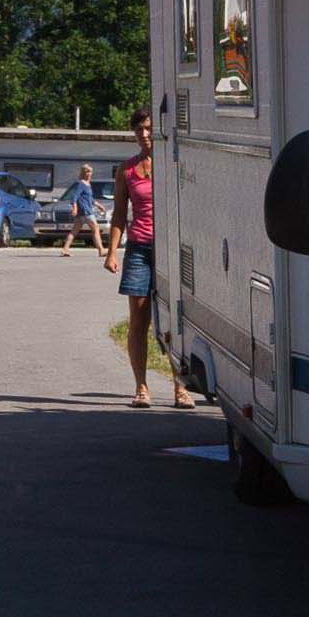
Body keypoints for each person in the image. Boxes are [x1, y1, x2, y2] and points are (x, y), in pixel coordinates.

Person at [105, 110, 196, 409]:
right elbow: (120, 214)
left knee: (174, 321)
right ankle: (141, 387)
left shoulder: (173, 164)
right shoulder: (127, 169)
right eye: (138, 130)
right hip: (139, 249)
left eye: (147, 129)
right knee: (138, 319)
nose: (143, 135)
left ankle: (180, 388)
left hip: (170, 250)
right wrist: (112, 251)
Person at [59, 163, 101, 257]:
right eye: (87, 172)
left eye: (90, 171)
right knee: (96, 228)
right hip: (86, 211)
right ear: (83, 173)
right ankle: (101, 250)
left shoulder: (88, 184)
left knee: (74, 231)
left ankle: (65, 250)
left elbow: (90, 199)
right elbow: (74, 197)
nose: (89, 173)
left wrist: (98, 205)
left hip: (83, 212)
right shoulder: (81, 184)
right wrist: (75, 208)